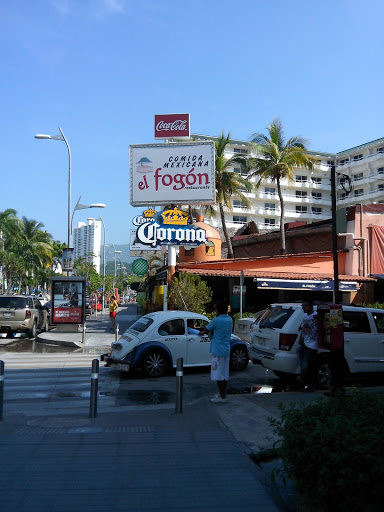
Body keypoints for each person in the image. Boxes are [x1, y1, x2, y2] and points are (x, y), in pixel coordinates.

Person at [199, 300, 233, 403]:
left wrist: (198, 331)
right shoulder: (230, 319)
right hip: (226, 350)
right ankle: (223, 394)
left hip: (217, 350)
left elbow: (204, 331)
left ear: (218, 310)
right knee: (224, 374)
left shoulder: (216, 320)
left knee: (218, 376)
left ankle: (222, 396)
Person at [298, 299, 318, 392]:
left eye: (305, 305)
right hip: (305, 343)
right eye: (303, 305)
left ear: (311, 306)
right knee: (304, 365)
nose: (303, 307)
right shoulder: (305, 316)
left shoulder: (316, 316)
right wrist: (301, 338)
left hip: (312, 344)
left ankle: (309, 385)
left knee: (307, 365)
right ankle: (305, 384)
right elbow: (303, 327)